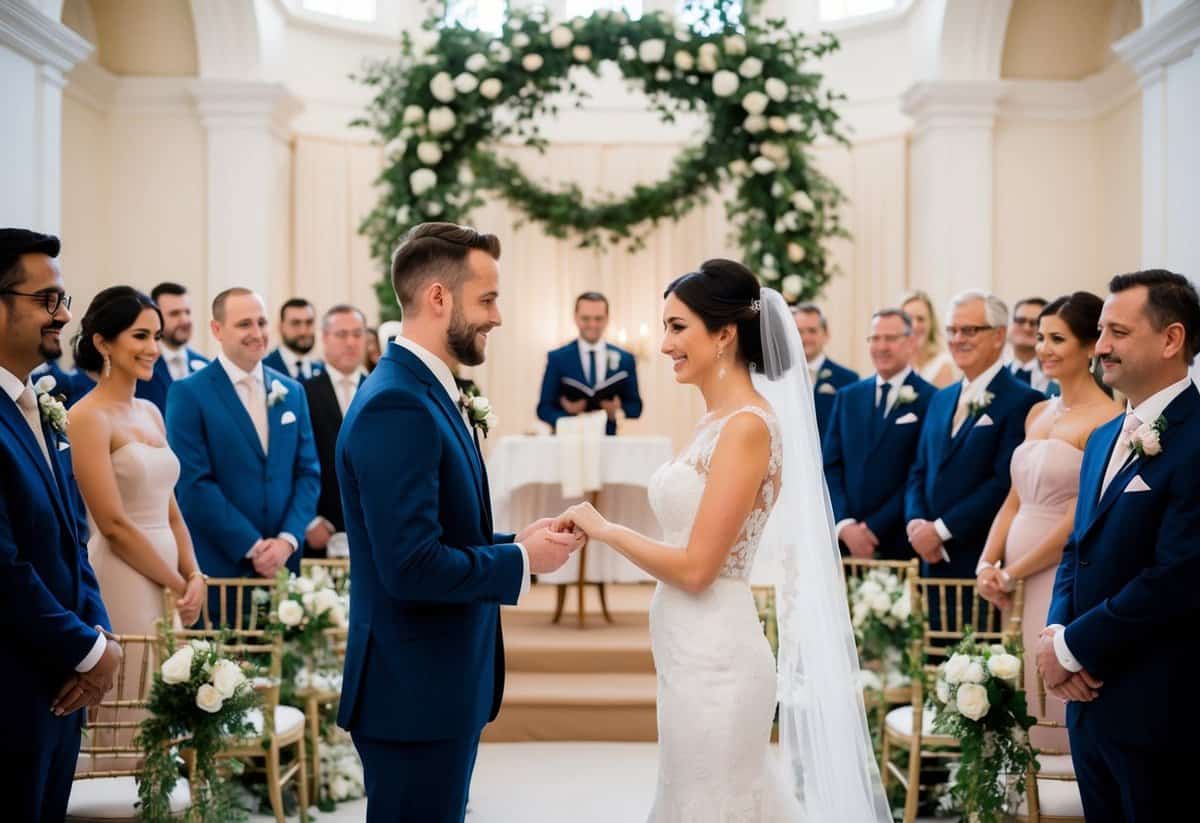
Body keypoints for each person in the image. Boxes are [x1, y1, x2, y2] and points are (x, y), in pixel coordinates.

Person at [554, 260, 890, 822]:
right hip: (688, 655)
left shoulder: (747, 427)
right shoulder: (717, 420)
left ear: (725, 334)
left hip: (719, 662)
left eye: (677, 327)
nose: (664, 345)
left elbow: (697, 569)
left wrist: (607, 529)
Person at [335, 223, 583, 822]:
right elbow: (412, 567)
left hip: (434, 688)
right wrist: (521, 563)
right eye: (488, 299)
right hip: (412, 692)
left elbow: (434, 535)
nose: (498, 316)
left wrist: (512, 542)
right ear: (438, 298)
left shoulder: (429, 391)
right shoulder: (398, 403)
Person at [1040, 270, 1200, 822]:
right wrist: (1056, 632)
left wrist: (1072, 648)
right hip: (1088, 702)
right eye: (1102, 331)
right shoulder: (1106, 434)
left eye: (1118, 332)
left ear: (1171, 339)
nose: (1100, 346)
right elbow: (1075, 550)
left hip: (1160, 704)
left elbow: (1179, 575)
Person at [0, 228, 120, 820]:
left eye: (64, 299)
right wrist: (87, 650)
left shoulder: (38, 408)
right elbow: (2, 566)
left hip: (58, 687)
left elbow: (75, 538)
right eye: (47, 300)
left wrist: (98, 637)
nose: (64, 315)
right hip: (9, 690)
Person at [68, 286, 207, 766]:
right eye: (140, 335)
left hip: (169, 575)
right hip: (123, 576)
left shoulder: (149, 410)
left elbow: (171, 508)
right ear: (104, 342)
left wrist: (195, 576)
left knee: (168, 705)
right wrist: (175, 584)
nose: (153, 347)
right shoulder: (85, 417)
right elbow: (112, 524)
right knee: (133, 710)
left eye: (157, 336)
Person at [974, 292, 1119, 750]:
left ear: (1090, 346)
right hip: (1010, 579)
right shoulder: (1037, 412)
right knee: (1016, 679)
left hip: (1058, 575)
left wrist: (1015, 571)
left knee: (1050, 682)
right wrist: (987, 564)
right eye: (1040, 337)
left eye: (1057, 338)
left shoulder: (1109, 420)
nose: (1043, 348)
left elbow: (1080, 519)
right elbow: (1012, 501)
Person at [166, 288, 320, 595]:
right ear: (217, 330)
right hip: (222, 569)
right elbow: (193, 484)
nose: (257, 333)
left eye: (261, 322)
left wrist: (287, 540)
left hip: (284, 571)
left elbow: (308, 473)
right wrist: (253, 546)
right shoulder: (189, 393)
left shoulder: (292, 392)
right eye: (244, 324)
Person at [905, 290, 1041, 616]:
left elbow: (1003, 483)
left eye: (969, 330)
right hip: (929, 561)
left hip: (980, 561)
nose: (958, 339)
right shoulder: (941, 398)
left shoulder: (1023, 401)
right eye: (952, 330)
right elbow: (919, 468)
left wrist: (940, 530)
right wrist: (916, 525)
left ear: (998, 336)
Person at [824, 308, 936, 560]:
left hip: (898, 541)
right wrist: (844, 524)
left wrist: (873, 528)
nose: (881, 346)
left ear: (911, 342)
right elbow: (831, 466)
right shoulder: (848, 397)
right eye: (875, 338)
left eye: (891, 338)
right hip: (843, 544)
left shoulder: (932, 399)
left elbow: (920, 472)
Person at [303, 304, 368, 558]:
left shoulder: (384, 389)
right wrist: (308, 520)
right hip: (321, 531)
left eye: (358, 334)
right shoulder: (302, 392)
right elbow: (292, 462)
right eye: (342, 335)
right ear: (325, 338)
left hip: (374, 527)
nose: (351, 342)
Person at [537, 291, 642, 436]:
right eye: (586, 319)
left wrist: (617, 411)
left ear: (607, 319)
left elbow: (636, 407)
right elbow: (543, 408)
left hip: (608, 440)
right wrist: (567, 415)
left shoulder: (625, 359)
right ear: (575, 318)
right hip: (568, 440)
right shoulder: (557, 358)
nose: (592, 324)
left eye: (598, 318)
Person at [135, 282, 209, 413]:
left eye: (187, 312)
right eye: (175, 314)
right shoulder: (139, 366)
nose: (185, 320)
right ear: (156, 318)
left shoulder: (205, 366)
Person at [791, 301, 857, 441]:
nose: (805, 338)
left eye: (812, 331)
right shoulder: (780, 378)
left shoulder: (848, 380)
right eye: (799, 331)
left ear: (826, 334)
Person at [901, 289, 958, 388]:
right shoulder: (899, 365)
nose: (914, 325)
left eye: (921, 319)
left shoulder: (943, 365)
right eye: (908, 318)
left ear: (931, 324)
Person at [263, 298, 325, 382]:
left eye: (309, 322)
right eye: (295, 323)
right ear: (281, 327)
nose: (303, 331)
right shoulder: (264, 368)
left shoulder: (322, 369)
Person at [1007, 296, 1055, 394]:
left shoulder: (1059, 377)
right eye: (1020, 321)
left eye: (1035, 323)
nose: (1027, 328)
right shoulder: (997, 375)